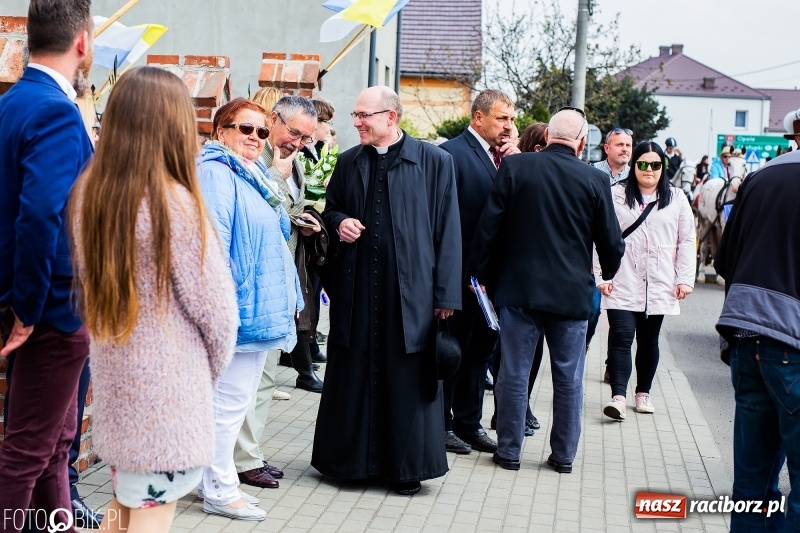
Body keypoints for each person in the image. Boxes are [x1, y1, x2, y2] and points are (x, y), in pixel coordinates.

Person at [68, 66, 238, 532]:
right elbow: (219, 316)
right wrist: (204, 376)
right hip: (168, 399)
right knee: (147, 519)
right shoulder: (176, 204)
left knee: (124, 512)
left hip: (117, 384)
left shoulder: (91, 195)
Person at [312, 86, 461, 496]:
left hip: (410, 295)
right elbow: (332, 210)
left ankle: (406, 467)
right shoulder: (347, 162)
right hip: (358, 290)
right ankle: (348, 463)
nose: (356, 122)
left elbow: (449, 230)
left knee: (406, 378)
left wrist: (446, 295)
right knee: (355, 372)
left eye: (364, 115)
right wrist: (339, 222)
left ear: (390, 117)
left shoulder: (434, 161)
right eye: (355, 115)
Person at [469, 107, 625, 474]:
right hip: (571, 297)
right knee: (568, 378)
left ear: (549, 135)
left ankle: (509, 451)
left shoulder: (516, 167)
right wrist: (605, 272)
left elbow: (489, 227)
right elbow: (612, 244)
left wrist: (483, 275)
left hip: (518, 291)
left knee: (513, 373)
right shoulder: (594, 180)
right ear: (582, 141)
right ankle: (563, 457)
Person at [0, 1, 95, 530]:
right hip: (51, 308)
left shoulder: (13, 101)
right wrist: (28, 309)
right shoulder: (55, 109)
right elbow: (38, 214)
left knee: (56, 445)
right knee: (29, 450)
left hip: (41, 301)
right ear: (82, 41)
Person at [198, 98, 303, 520]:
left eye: (262, 131)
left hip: (257, 307)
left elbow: (276, 230)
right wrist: (222, 307)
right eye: (246, 129)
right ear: (221, 131)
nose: (255, 139)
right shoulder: (215, 172)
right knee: (227, 403)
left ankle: (216, 481)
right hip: (238, 307)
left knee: (233, 402)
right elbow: (215, 243)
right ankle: (220, 489)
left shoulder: (251, 173)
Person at [715, 133, 800, 531]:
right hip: (793, 346)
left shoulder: (762, 175)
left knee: (751, 482)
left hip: (745, 338)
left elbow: (724, 259)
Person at [439, 89, 520, 456]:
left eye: (512, 119)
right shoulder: (451, 155)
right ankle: (441, 424)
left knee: (480, 355)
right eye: (502, 118)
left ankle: (469, 424)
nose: (509, 125)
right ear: (478, 118)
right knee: (451, 352)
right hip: (461, 279)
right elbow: (444, 223)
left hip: (494, 282)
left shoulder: (506, 159)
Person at [598, 141, 695, 421]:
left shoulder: (676, 198)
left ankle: (643, 393)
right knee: (621, 337)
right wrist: (601, 275)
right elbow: (599, 237)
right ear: (634, 165)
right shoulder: (616, 194)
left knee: (649, 340)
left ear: (663, 167)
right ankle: (618, 397)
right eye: (642, 164)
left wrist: (685, 278)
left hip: (660, 281)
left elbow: (686, 240)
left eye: (655, 164)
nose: (649, 169)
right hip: (622, 278)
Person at [261, 96, 326, 394]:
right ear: (274, 119)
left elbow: (290, 206)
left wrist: (306, 223)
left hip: (287, 270)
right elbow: (257, 206)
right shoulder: (257, 156)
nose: (299, 143)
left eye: (306, 137)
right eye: (295, 133)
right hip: (262, 279)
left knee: (266, 378)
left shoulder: (294, 159)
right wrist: (275, 175)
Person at [489, 121, 549, 437]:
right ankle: (506, 411)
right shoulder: (515, 171)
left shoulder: (539, 174)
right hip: (509, 272)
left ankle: (521, 404)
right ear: (534, 148)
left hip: (536, 277)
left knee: (534, 349)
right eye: (541, 148)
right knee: (508, 351)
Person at [591, 127, 634, 381]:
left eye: (628, 145)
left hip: (625, 258)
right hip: (594, 253)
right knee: (592, 310)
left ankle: (611, 364)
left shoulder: (636, 179)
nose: (624, 149)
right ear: (606, 148)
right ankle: (583, 346)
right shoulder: (593, 173)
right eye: (619, 145)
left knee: (619, 317)